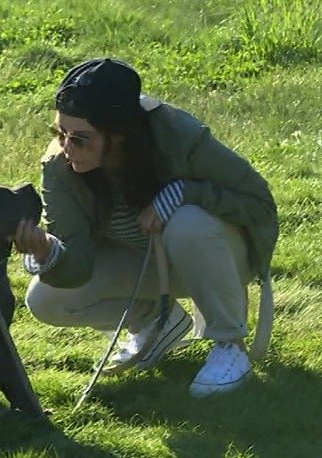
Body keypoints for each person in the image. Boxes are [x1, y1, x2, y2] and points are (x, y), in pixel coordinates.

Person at [15, 58, 278, 397]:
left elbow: (259, 204)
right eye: (59, 133)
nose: (66, 148)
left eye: (80, 138)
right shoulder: (59, 168)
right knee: (45, 299)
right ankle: (156, 321)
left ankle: (230, 344)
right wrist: (47, 252)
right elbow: (76, 261)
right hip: (146, 264)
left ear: (120, 134)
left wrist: (187, 193)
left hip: (219, 258)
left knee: (187, 222)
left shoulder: (178, 136)